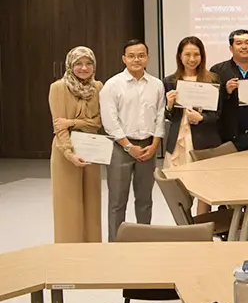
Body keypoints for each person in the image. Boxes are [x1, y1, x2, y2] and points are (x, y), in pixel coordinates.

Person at [99, 39, 166, 241]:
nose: (136, 60)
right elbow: (110, 120)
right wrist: (128, 146)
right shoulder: (112, 85)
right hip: (121, 147)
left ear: (147, 58)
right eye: (131, 56)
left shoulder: (156, 84)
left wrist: (155, 145)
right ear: (124, 59)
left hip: (148, 147)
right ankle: (116, 243)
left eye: (141, 55)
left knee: (145, 200)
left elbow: (160, 116)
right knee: (117, 201)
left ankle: (143, 241)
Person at [49, 46, 104, 243]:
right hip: (65, 150)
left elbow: (98, 122)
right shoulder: (58, 87)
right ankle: (68, 249)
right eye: (78, 64)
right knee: (68, 204)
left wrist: (72, 122)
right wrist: (69, 153)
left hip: (91, 148)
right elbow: (59, 126)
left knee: (92, 202)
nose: (84, 68)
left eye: (89, 63)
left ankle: (92, 249)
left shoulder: (98, 87)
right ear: (70, 66)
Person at [163, 37, 222, 184]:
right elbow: (169, 116)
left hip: (204, 139)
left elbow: (218, 114)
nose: (192, 59)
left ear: (202, 56)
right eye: (187, 54)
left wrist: (202, 118)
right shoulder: (169, 81)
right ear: (180, 56)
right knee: (178, 186)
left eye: (196, 54)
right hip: (178, 140)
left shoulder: (213, 79)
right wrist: (169, 105)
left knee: (204, 184)